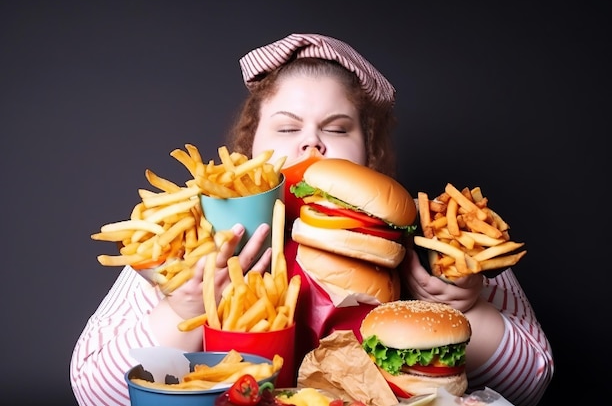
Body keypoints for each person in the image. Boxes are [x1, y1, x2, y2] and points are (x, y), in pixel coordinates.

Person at [70, 33, 553, 406]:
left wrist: (468, 309)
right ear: (250, 148)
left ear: (370, 152)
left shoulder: (442, 241)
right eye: (286, 127)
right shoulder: (189, 239)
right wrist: (182, 313)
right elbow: (94, 392)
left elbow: (533, 381)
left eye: (337, 129)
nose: (311, 144)